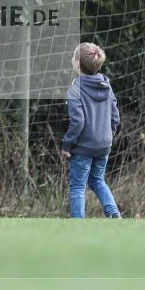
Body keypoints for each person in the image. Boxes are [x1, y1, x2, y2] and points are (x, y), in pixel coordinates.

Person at [61, 42, 121, 219]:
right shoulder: (107, 86)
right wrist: (108, 136)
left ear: (77, 64)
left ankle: (78, 222)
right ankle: (114, 214)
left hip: (84, 146)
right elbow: (115, 117)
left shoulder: (75, 89)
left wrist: (67, 145)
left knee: (78, 186)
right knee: (97, 180)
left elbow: (78, 121)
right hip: (104, 145)